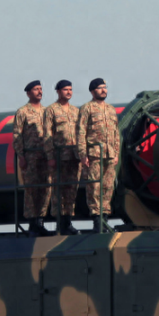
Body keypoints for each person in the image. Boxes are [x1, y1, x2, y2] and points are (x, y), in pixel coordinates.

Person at [76, 78, 120, 232]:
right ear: (93, 91)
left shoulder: (111, 109)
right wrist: (83, 153)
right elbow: (81, 132)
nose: (104, 90)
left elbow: (116, 133)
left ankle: (105, 218)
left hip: (110, 154)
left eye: (105, 87)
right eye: (100, 88)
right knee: (94, 187)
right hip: (94, 155)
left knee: (108, 187)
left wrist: (116, 153)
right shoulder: (87, 108)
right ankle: (97, 220)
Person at [13, 80, 51, 236]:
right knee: (31, 190)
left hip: (45, 157)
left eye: (41, 89)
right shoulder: (23, 112)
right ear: (29, 93)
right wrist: (21, 156)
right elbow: (17, 135)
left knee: (46, 189)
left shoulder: (47, 112)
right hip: (31, 158)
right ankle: (32, 224)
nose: (40, 92)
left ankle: (40, 221)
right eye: (36, 89)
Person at [43, 79, 81, 235]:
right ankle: (60, 222)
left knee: (72, 189)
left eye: (70, 89)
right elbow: (47, 135)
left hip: (74, 157)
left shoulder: (76, 111)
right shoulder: (51, 110)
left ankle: (68, 222)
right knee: (59, 191)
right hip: (59, 157)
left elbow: (81, 133)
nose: (69, 92)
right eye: (66, 89)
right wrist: (50, 156)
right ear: (58, 92)